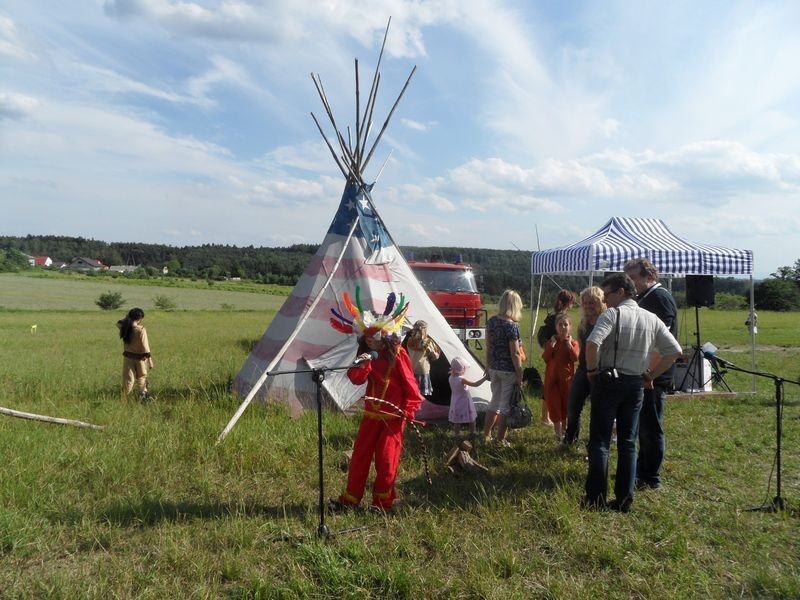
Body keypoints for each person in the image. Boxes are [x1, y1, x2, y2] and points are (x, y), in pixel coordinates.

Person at [583, 274, 682, 512]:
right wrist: (651, 374)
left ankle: (595, 498)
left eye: (606, 295)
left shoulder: (611, 314)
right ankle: (625, 499)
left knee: (600, 442)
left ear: (620, 292)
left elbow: (592, 343)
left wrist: (592, 371)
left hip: (608, 382)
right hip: (636, 385)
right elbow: (674, 351)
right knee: (628, 443)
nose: (604, 300)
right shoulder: (651, 318)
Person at [328, 288, 423, 512]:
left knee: (386, 459)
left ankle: (382, 503)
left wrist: (409, 409)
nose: (372, 342)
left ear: (386, 336)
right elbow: (355, 379)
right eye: (367, 339)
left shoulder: (398, 355)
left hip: (393, 416)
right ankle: (350, 500)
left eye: (376, 338)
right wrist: (364, 363)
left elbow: (410, 383)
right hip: (371, 414)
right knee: (360, 455)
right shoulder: (366, 355)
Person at [624, 258, 679, 491]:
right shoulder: (646, 298)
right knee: (643, 426)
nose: (631, 283)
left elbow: (661, 342)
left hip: (653, 376)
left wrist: (650, 375)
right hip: (645, 373)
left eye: (634, 278)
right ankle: (641, 470)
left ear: (650, 277)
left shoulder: (659, 298)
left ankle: (650, 478)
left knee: (650, 427)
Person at [562, 287, 606, 448]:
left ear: (600, 302)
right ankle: (570, 440)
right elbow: (581, 346)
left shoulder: (606, 320)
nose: (588, 306)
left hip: (599, 371)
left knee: (598, 411)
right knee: (573, 406)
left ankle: (595, 445)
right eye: (585, 302)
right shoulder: (584, 322)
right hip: (583, 368)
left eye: (592, 302)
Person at [483, 289, 524, 447]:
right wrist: (519, 373)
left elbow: (488, 346)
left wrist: (487, 365)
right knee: (506, 407)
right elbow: (515, 353)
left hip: (494, 367)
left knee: (494, 402)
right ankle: (500, 439)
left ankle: (486, 434)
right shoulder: (511, 326)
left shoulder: (491, 321)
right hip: (508, 370)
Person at [537, 289, 576, 425]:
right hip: (557, 354)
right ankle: (546, 417)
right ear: (569, 302)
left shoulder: (553, 314)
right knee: (552, 389)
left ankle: (545, 416)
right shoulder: (562, 316)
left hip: (550, 352)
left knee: (549, 386)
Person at [541, 313, 580, 444]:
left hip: (567, 381)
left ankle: (565, 431)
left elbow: (575, 358)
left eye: (565, 324)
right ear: (556, 327)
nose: (563, 327)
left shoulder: (573, 343)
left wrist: (569, 345)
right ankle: (558, 435)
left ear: (570, 327)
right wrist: (551, 345)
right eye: (560, 324)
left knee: (566, 406)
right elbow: (546, 358)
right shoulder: (551, 342)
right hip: (552, 381)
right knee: (554, 405)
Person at [117, 307, 154, 399]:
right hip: (140, 359)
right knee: (141, 378)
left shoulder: (124, 327)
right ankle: (143, 397)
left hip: (128, 359)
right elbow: (145, 347)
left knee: (128, 380)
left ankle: (125, 399)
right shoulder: (141, 330)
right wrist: (150, 360)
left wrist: (127, 317)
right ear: (140, 318)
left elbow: (119, 322)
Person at [448, 356, 487, 437]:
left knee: (457, 420)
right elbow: (475, 384)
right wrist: (485, 378)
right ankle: (472, 432)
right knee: (472, 418)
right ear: (462, 369)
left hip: (455, 401)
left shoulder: (451, 378)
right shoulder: (462, 379)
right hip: (465, 401)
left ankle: (457, 434)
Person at [405, 320, 441, 400]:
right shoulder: (427, 342)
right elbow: (435, 357)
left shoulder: (410, 340)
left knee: (413, 391)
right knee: (422, 393)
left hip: (412, 367)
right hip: (422, 369)